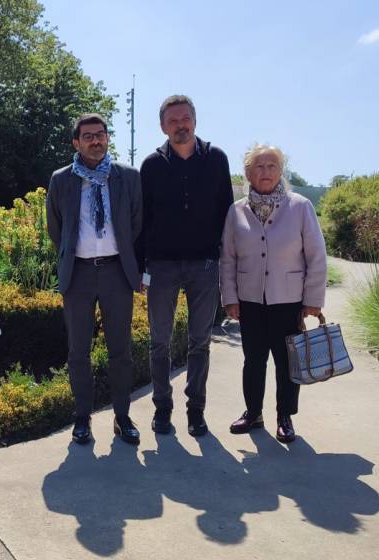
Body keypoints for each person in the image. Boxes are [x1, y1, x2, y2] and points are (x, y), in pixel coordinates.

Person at [138, 95, 234, 437]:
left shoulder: (216, 159)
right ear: (163, 126)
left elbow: (227, 214)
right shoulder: (151, 165)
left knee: (200, 341)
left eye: (185, 118)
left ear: (195, 120)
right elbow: (141, 220)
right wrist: (140, 268)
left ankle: (196, 410)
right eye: (173, 120)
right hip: (162, 266)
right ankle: (162, 408)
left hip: (204, 265)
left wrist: (228, 263)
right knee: (159, 342)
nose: (181, 125)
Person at [47, 113, 144, 446]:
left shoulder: (128, 177)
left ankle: (122, 417)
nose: (95, 140)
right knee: (78, 352)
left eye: (100, 134)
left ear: (107, 138)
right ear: (76, 142)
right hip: (79, 274)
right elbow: (56, 229)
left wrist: (135, 267)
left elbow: (137, 225)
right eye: (87, 136)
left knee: (121, 350)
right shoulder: (61, 180)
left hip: (117, 272)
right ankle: (82, 418)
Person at [220, 144, 326, 443]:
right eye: (258, 167)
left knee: (286, 361)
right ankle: (253, 412)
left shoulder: (300, 206)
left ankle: (284, 416)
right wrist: (229, 297)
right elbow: (228, 258)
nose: (265, 172)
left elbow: (316, 256)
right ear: (248, 173)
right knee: (253, 360)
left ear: (280, 172)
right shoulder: (236, 210)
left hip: (288, 299)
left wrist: (313, 301)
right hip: (250, 300)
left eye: (271, 166)